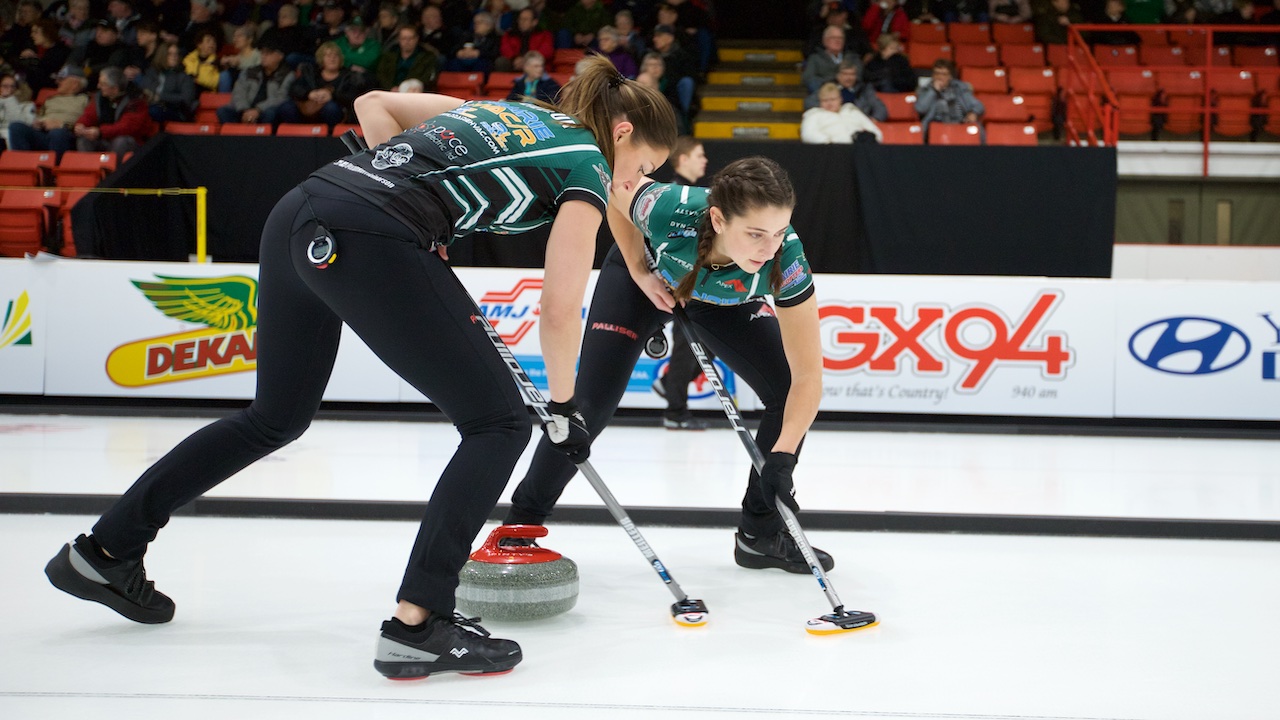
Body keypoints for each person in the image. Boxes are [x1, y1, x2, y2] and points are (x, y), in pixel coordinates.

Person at [43, 54, 677, 681]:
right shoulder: (590, 167)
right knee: (502, 423)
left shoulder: (515, 114)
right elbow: (561, 308)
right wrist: (564, 407)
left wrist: (640, 270)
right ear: (621, 134)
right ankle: (419, 623)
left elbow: (375, 106)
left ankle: (105, 549)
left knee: (275, 417)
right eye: (643, 168)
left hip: (303, 209)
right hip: (369, 235)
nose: (636, 184)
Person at [503, 156, 836, 576]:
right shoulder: (670, 206)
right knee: (587, 408)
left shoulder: (785, 258)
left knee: (786, 391)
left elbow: (809, 375)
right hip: (642, 280)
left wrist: (782, 457)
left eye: (778, 232)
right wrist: (642, 272)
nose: (769, 247)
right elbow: (613, 191)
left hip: (722, 301)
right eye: (754, 234)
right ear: (717, 218)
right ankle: (519, 526)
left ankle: (760, 533)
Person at [648, 135, 717, 430]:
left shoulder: (695, 193)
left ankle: (670, 387)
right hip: (680, 281)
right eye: (699, 155)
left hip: (695, 281)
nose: (705, 160)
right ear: (683, 159)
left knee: (705, 346)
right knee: (688, 347)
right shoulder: (674, 194)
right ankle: (675, 411)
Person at [7, 66, 90, 156]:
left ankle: (54, 168)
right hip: (43, 133)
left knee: (57, 133)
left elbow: (87, 125)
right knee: (16, 127)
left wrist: (62, 125)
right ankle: (23, 166)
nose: (57, 82)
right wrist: (37, 123)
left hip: (67, 135)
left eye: (61, 79)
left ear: (75, 84)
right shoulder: (51, 100)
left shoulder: (86, 100)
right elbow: (39, 116)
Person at [73, 66, 157, 152]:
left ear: (114, 88)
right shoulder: (99, 97)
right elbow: (89, 115)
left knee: (121, 141)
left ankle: (115, 165)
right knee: (84, 140)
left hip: (134, 143)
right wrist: (81, 125)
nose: (98, 86)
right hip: (105, 138)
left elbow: (126, 127)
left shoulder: (135, 101)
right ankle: (87, 165)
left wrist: (100, 132)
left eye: (103, 84)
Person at [217, 39, 294, 125]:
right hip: (245, 109)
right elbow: (239, 92)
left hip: (265, 110)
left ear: (280, 56)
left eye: (268, 53)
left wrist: (258, 110)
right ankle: (234, 137)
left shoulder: (287, 75)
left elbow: (281, 98)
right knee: (223, 111)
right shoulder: (249, 71)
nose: (264, 56)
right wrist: (244, 110)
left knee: (271, 113)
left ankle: (265, 137)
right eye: (262, 53)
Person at [279, 41, 349, 126]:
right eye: (328, 56)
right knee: (286, 107)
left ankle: (330, 137)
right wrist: (309, 94)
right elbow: (294, 88)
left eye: (335, 56)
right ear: (321, 59)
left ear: (340, 58)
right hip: (308, 108)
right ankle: (296, 135)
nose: (332, 59)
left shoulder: (348, 76)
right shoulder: (311, 73)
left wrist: (332, 96)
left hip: (334, 111)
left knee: (331, 108)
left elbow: (352, 96)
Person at [915, 58, 984, 139]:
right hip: (935, 126)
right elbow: (921, 108)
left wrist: (974, 113)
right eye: (937, 73)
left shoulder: (960, 88)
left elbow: (978, 105)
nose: (940, 77)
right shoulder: (925, 89)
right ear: (933, 75)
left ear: (950, 76)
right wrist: (933, 91)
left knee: (977, 129)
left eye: (944, 74)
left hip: (959, 124)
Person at [801, 81, 883, 143]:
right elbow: (808, 134)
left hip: (859, 150)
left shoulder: (852, 111)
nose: (829, 103)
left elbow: (877, 133)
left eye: (833, 99)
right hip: (830, 151)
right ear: (820, 102)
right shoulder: (813, 114)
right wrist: (828, 142)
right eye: (825, 100)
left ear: (840, 99)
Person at [805, 58, 886, 121]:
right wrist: (830, 108)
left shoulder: (864, 88)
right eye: (845, 74)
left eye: (852, 74)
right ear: (838, 75)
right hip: (832, 122)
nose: (849, 78)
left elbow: (880, 109)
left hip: (858, 123)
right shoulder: (828, 86)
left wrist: (874, 119)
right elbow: (809, 102)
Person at [143, 42, 198, 121]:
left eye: (176, 54)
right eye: (170, 54)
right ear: (162, 55)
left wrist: (160, 97)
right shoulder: (152, 72)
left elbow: (186, 99)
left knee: (153, 111)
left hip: (174, 111)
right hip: (151, 106)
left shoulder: (184, 77)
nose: (174, 57)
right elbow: (146, 90)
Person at [375, 24, 438, 92]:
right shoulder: (389, 55)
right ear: (399, 39)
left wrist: (408, 88)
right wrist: (391, 88)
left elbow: (428, 78)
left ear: (416, 39)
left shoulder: (427, 57)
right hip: (390, 92)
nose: (407, 41)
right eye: (404, 38)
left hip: (414, 93)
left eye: (410, 38)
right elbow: (381, 74)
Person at [17, 18, 72, 94]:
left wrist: (33, 61)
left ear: (47, 33)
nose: (32, 35)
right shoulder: (32, 48)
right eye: (32, 32)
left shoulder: (61, 52)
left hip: (50, 89)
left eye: (36, 32)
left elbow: (44, 72)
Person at [496, 6, 553, 72]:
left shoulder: (544, 35)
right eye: (520, 19)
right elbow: (505, 48)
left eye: (525, 19)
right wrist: (514, 59)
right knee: (501, 62)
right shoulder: (509, 34)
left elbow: (547, 52)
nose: (522, 22)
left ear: (534, 22)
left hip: (534, 64)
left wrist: (527, 60)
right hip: (514, 63)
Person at [802, 25, 848, 93]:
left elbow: (858, 79)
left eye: (840, 38)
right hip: (824, 96)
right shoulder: (815, 59)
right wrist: (834, 79)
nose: (837, 40)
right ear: (825, 41)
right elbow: (808, 79)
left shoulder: (851, 58)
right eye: (833, 38)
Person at [0, 73, 36, 150]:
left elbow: (18, 123)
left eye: (12, 86)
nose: (9, 89)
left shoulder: (28, 105)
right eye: (5, 86)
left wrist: (9, 99)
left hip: (12, 137)